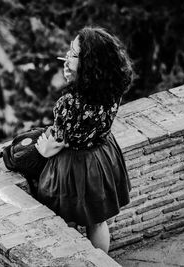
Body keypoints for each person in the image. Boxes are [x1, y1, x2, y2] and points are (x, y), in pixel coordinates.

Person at [34, 26, 133, 253]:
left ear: (89, 62)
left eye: (73, 54)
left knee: (64, 223)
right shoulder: (113, 87)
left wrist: (43, 152)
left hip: (73, 167)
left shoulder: (69, 102)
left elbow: (57, 140)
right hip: (102, 157)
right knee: (97, 222)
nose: (67, 57)